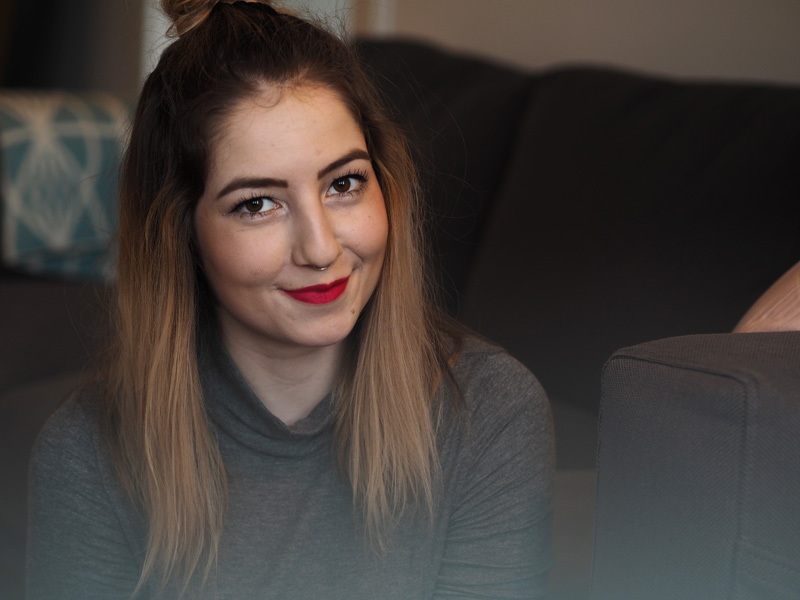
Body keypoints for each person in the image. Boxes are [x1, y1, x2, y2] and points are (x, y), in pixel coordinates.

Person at [26, 1, 554, 598]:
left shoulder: (489, 412)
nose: (321, 248)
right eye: (257, 204)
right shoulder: (86, 453)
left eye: (344, 183)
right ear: (181, 235)